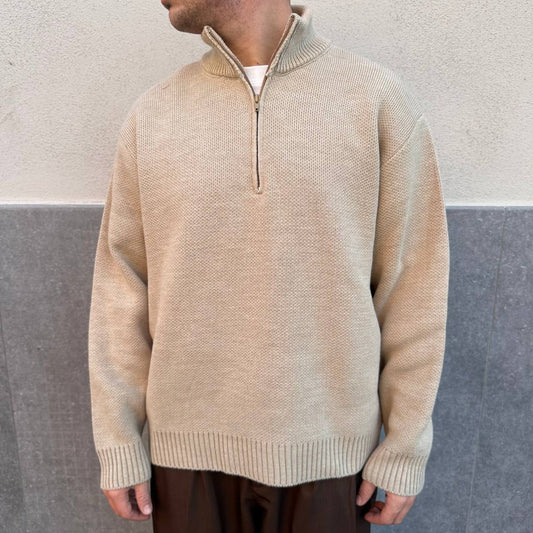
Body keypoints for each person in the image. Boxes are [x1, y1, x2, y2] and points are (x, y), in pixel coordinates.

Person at [87, 0, 450, 530]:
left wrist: (405, 445)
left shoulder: (375, 101)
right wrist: (119, 439)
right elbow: (121, 289)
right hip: (185, 457)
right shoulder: (153, 114)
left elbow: (413, 287)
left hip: (330, 458)